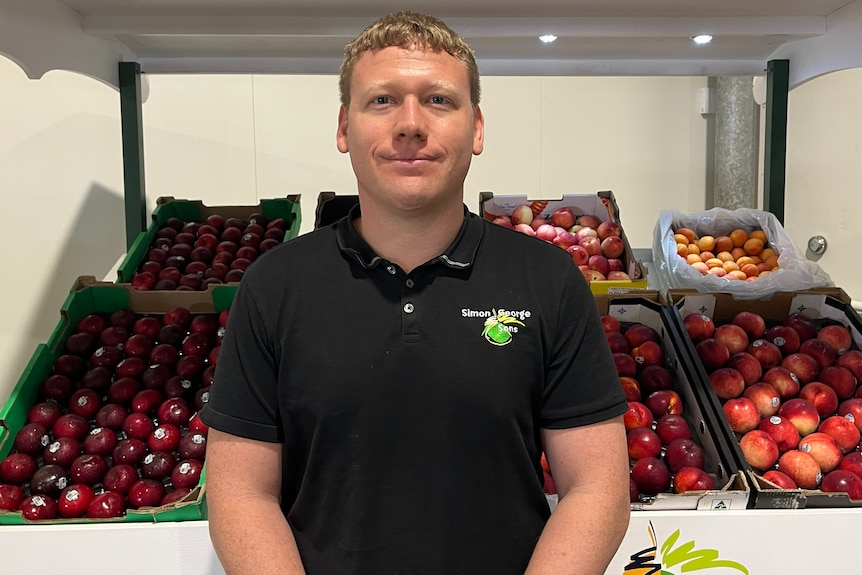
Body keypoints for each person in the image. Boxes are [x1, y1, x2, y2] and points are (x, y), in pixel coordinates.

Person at [201, 10, 630, 575]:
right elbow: (239, 494)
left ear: (476, 128)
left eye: (438, 100)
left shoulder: (548, 282)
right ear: (342, 127)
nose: (410, 124)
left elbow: (596, 489)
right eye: (381, 101)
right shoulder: (274, 286)